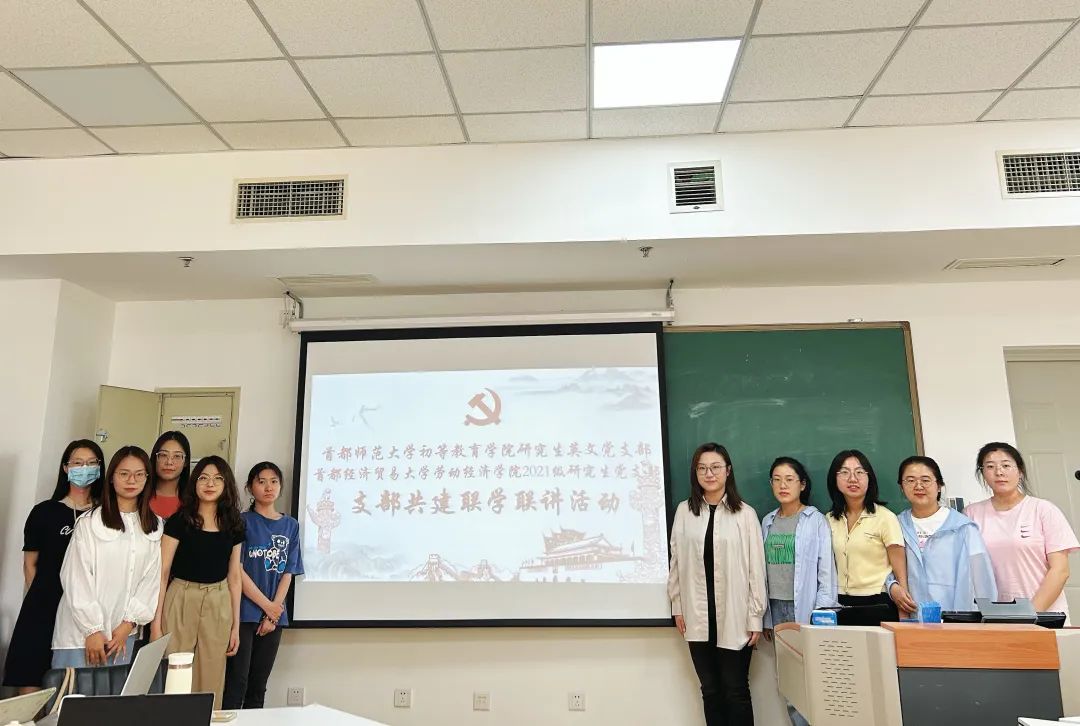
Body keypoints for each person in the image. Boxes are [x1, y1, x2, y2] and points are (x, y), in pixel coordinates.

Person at [669, 443, 765, 726]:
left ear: (728, 471)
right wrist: (677, 605)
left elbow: (756, 568)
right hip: (697, 615)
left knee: (736, 690)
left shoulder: (745, 514)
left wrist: (755, 616)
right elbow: (676, 562)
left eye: (715, 467)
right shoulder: (684, 512)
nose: (709, 474)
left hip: (735, 614)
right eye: (702, 468)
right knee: (710, 691)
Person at [3, 440, 104, 692]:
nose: (84, 468)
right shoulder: (44, 512)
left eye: (91, 463)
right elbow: (30, 564)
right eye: (78, 463)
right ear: (66, 468)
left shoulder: (104, 515)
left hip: (86, 610)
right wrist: (41, 600)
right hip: (43, 605)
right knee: (30, 678)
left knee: (76, 685)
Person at [51, 446, 162, 668]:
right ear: (111, 477)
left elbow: (151, 580)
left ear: (147, 478)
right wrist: (92, 630)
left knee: (114, 690)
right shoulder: (89, 522)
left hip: (123, 637)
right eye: (124, 473)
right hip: (81, 636)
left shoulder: (154, 525)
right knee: (73, 689)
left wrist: (127, 625)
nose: (131, 480)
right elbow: (76, 578)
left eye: (139, 474)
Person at [152, 455, 244, 710]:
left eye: (217, 478)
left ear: (226, 485)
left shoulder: (234, 523)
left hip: (218, 600)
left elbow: (235, 577)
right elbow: (162, 572)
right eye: (203, 478)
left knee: (213, 672)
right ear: (194, 483)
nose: (210, 484)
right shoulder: (180, 521)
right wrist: (155, 625)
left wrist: (235, 627)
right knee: (176, 672)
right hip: (181, 596)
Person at [761, 457, 836, 726]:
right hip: (776, 609)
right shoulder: (767, 521)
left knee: (813, 679)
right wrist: (766, 618)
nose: (783, 485)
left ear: (802, 484)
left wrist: (822, 613)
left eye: (789, 479)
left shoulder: (815, 520)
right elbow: (762, 573)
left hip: (806, 608)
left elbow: (826, 570)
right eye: (777, 480)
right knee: (789, 682)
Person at [965, 442, 1079, 620]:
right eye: (990, 466)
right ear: (983, 473)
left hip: (1045, 613)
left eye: (1006, 465)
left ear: (1020, 471)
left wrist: (1029, 614)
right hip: (993, 615)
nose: (999, 472)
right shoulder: (971, 514)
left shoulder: (1043, 510)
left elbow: (1060, 570)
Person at [223, 462, 304, 710]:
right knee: (236, 683)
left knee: (258, 687)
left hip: (274, 617)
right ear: (250, 488)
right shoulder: (241, 521)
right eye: (261, 481)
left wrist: (274, 612)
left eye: (274, 481)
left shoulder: (291, 525)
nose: (268, 487)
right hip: (243, 613)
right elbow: (236, 570)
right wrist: (267, 606)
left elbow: (288, 571)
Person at [888, 456, 996, 611]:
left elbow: (982, 582)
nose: (918, 486)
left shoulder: (963, 528)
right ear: (901, 488)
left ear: (939, 486)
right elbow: (883, 568)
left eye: (925, 480)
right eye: (910, 480)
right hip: (911, 616)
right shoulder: (895, 525)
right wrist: (892, 586)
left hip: (956, 617)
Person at [825, 449, 913, 620]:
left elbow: (900, 569)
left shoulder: (885, 517)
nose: (852, 478)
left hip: (877, 602)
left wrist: (903, 609)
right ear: (834, 479)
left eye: (859, 472)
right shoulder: (828, 520)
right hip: (839, 603)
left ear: (869, 478)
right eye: (844, 472)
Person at [148, 431, 191, 520]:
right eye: (163, 455)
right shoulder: (139, 495)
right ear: (155, 458)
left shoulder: (194, 500)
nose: (169, 462)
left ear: (185, 462)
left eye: (177, 456)